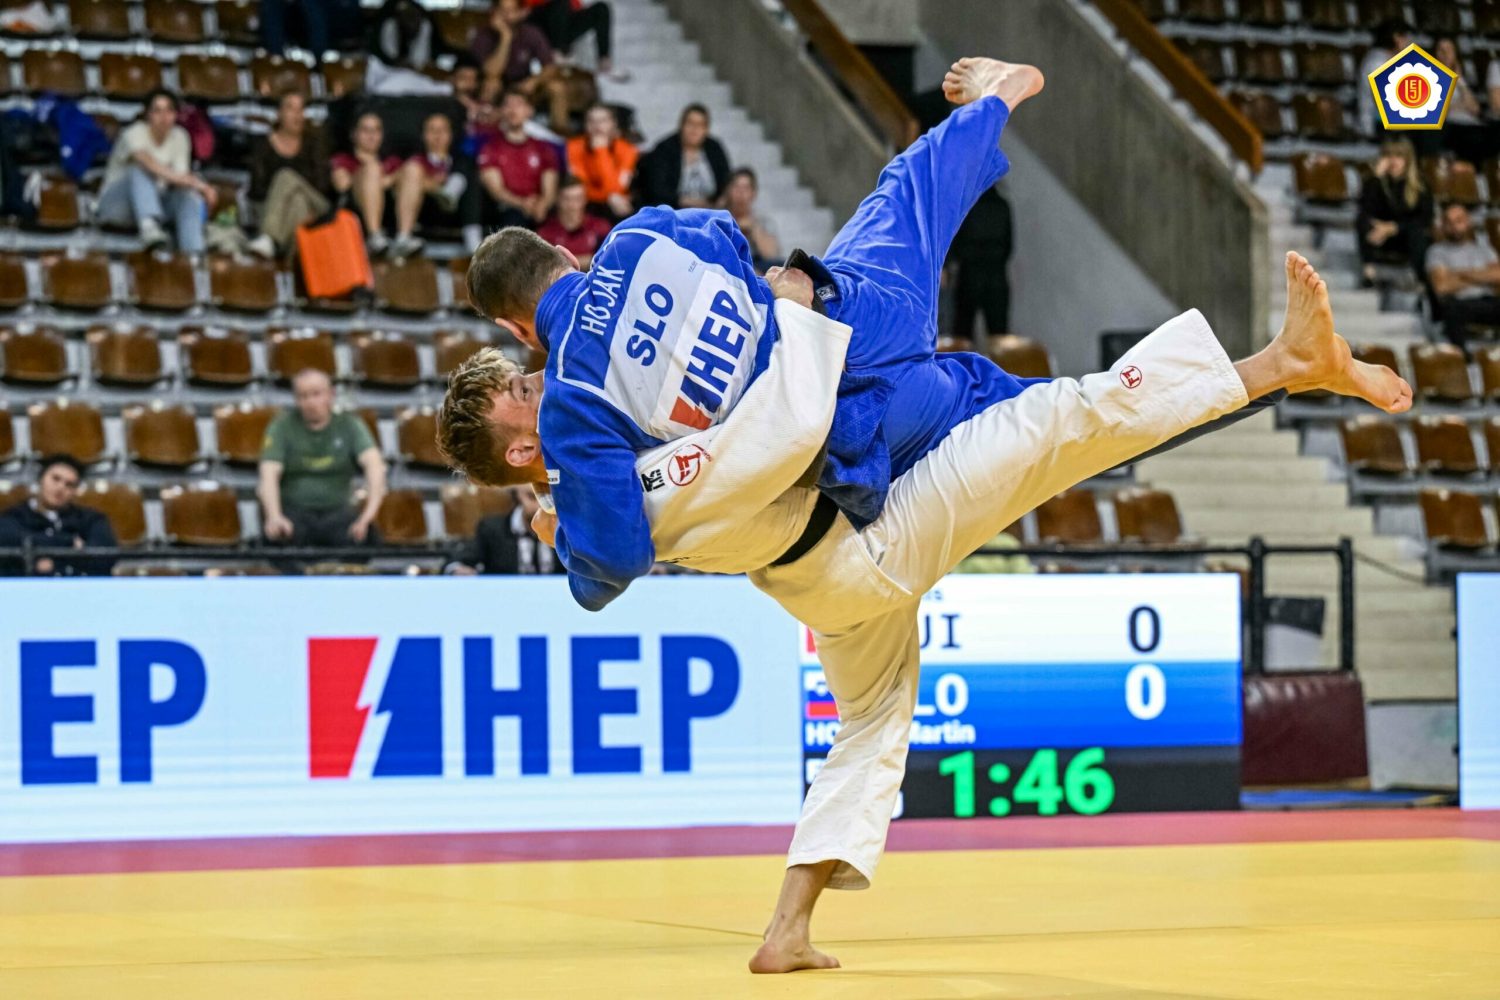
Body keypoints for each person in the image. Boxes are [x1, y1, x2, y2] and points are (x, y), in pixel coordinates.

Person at [258, 369, 388, 546]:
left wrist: (367, 517)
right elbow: (268, 474)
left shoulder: (350, 425)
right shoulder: (281, 427)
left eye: (316, 394)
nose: (310, 402)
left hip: (338, 513)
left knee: (366, 537)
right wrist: (274, 516)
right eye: (303, 396)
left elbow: (375, 466)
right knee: (276, 537)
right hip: (295, 514)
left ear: (331, 395)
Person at [96, 89, 215, 253]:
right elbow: (149, 163)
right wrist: (202, 186)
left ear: (175, 114)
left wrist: (196, 189)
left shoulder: (181, 136)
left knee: (187, 196)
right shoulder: (134, 132)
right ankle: (149, 226)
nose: (163, 117)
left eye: (169, 110)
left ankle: (194, 254)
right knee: (139, 170)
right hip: (117, 206)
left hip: (158, 202)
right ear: (147, 115)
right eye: (157, 111)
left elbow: (180, 178)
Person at [247, 90, 332, 259]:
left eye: (300, 110)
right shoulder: (263, 146)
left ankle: (269, 237)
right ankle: (294, 263)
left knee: (286, 177)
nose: (297, 115)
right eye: (291, 108)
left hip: (315, 203)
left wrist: (296, 189)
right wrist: (286, 197)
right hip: (271, 207)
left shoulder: (314, 143)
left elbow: (322, 185)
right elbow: (257, 189)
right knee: (297, 204)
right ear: (279, 114)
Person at [0, 455, 116, 577]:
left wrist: (51, 563)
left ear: (75, 491)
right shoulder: (13, 516)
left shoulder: (92, 519)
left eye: (69, 484)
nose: (61, 488)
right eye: (55, 479)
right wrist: (69, 543)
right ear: (40, 479)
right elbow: (7, 545)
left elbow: (105, 558)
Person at [390, 112, 484, 257]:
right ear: (423, 135)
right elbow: (403, 181)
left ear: (451, 134)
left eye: (443, 130)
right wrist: (434, 185)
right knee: (412, 172)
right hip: (427, 210)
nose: (438, 135)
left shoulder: (460, 162)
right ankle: (448, 193)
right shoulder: (415, 162)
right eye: (432, 130)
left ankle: (452, 192)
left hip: (458, 211)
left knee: (468, 167)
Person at [472, 0, 572, 126]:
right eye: (502, 10)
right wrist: (505, 37)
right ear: (493, 11)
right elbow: (492, 72)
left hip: (524, 84)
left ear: (521, 13)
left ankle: (559, 136)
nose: (506, 15)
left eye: (511, 11)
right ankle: (486, 130)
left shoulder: (531, 32)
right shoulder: (483, 35)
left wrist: (533, 81)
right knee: (492, 83)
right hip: (498, 85)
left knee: (557, 87)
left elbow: (550, 66)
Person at [477, 88, 560, 228]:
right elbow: (496, 191)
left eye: (519, 104)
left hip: (538, 208)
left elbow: (550, 189)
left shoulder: (544, 148)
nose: (513, 110)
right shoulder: (491, 148)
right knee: (513, 220)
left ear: (529, 111)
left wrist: (542, 204)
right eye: (508, 105)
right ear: (501, 110)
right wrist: (522, 203)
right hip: (508, 208)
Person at [1356, 139, 1432, 288]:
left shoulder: (1420, 184)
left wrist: (1394, 228)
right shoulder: (1375, 183)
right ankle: (1369, 272)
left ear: (1407, 159)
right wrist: (1376, 178)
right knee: (1362, 219)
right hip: (1380, 237)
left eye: (1398, 156)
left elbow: (1424, 218)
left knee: (1417, 231)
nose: (1393, 161)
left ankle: (1420, 278)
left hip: (1406, 236)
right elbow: (1366, 208)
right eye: (1389, 156)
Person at [1426, 202, 1500, 349]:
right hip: (1460, 304)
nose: (1454, 226)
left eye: (1459, 221)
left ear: (1468, 222)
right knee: (1451, 309)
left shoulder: (1484, 250)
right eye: (1449, 222)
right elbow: (1442, 287)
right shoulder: (1436, 252)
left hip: (1487, 301)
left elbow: (1497, 275)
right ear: (1443, 225)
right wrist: (1482, 276)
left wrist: (1459, 274)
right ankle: (1464, 359)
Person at [331, 111, 403, 256]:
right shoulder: (343, 160)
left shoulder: (393, 162)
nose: (371, 135)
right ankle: (374, 235)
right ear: (354, 134)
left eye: (376, 130)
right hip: (355, 216)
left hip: (391, 219)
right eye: (365, 130)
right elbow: (342, 185)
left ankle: (404, 237)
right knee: (372, 168)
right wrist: (382, 180)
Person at [635, 103, 731, 210]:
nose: (695, 129)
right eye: (690, 123)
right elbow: (656, 188)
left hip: (710, 210)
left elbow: (726, 179)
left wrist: (721, 200)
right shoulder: (665, 148)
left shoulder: (714, 148)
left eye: (700, 125)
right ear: (681, 125)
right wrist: (685, 201)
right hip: (673, 210)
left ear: (706, 129)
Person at [447, 488, 563, 574]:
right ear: (517, 494)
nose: (540, 507)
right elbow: (457, 561)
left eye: (548, 499)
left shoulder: (566, 529)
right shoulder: (491, 529)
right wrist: (457, 570)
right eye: (532, 497)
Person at [1434, 37, 1500, 166]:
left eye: (1449, 50)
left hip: (1472, 124)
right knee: (1475, 140)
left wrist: (1460, 80)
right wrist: (1459, 106)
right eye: (1441, 50)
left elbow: (1475, 109)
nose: (1445, 54)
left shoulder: (1461, 78)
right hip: (1451, 126)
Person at [567, 103, 637, 220]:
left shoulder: (628, 150)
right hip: (587, 202)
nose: (597, 126)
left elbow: (619, 187)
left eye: (603, 120)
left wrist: (601, 152)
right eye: (591, 121)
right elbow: (581, 186)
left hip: (614, 204)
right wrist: (608, 196)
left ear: (613, 124)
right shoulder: (573, 147)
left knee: (622, 206)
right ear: (585, 124)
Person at [526, 0, 623, 80]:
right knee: (559, 4)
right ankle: (558, 54)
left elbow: (575, 6)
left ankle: (604, 61)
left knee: (601, 9)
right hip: (538, 24)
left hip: (562, 21)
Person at [536, 177, 611, 267]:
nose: (572, 205)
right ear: (558, 199)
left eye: (577, 199)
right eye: (567, 199)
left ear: (585, 199)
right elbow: (544, 266)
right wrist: (589, 259)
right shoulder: (545, 233)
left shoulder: (600, 228)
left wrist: (562, 262)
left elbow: (608, 260)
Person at [1358, 18, 1413, 137]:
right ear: (1396, 38)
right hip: (1376, 123)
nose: (1408, 42)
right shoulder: (1376, 62)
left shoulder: (1394, 60)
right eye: (1405, 38)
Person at [720, 167, 778, 273]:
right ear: (728, 191)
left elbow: (771, 255)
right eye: (736, 187)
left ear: (753, 193)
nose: (741, 193)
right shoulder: (719, 220)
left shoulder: (763, 221)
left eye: (746, 188)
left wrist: (753, 228)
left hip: (757, 270)